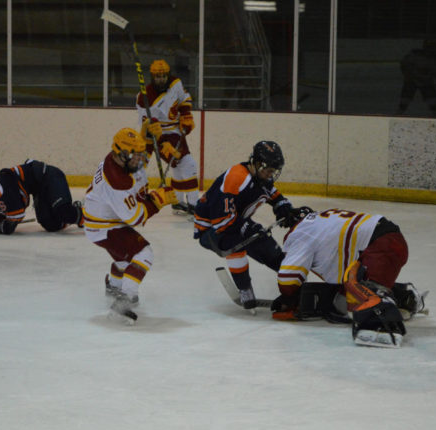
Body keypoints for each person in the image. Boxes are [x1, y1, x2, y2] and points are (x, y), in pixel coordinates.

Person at [271, 207, 427, 348]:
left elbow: (288, 279)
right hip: (388, 240)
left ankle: (382, 324)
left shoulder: (300, 233)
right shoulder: (322, 220)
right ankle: (404, 296)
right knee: (341, 300)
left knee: (357, 305)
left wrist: (288, 296)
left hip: (382, 246)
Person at [82, 128, 178, 323]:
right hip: (105, 227)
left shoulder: (119, 160)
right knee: (144, 254)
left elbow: (140, 159)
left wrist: (152, 138)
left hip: (103, 221)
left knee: (125, 262)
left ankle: (114, 286)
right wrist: (157, 200)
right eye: (136, 155)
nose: (140, 160)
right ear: (122, 154)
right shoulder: (117, 183)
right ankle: (123, 300)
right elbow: (135, 218)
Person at [193, 140, 292, 310]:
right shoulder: (237, 178)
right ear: (258, 164)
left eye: (273, 171)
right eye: (268, 170)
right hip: (211, 229)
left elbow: (272, 193)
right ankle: (244, 288)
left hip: (234, 222)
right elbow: (221, 221)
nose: (271, 174)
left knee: (267, 247)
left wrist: (283, 206)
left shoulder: (260, 176)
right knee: (239, 242)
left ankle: (293, 283)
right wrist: (249, 228)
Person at [136, 59, 199, 213]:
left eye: (164, 76)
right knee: (138, 167)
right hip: (155, 135)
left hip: (174, 131)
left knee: (182, 165)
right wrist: (161, 141)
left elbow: (184, 98)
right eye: (158, 76)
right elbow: (145, 127)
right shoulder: (144, 97)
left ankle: (180, 202)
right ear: (152, 77)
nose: (161, 79)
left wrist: (185, 115)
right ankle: (195, 206)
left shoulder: (175, 83)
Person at [0, 160, 83, 234]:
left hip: (49, 176)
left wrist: (5, 227)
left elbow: (18, 213)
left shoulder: (0, 188)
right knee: (50, 225)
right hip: (38, 189)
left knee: (65, 212)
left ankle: (88, 216)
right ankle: (74, 209)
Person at [397, 39, 436, 115]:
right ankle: (399, 112)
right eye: (430, 47)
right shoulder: (415, 55)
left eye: (433, 47)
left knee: (433, 103)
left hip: (426, 83)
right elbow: (404, 65)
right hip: (412, 81)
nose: (432, 50)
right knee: (404, 101)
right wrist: (409, 75)